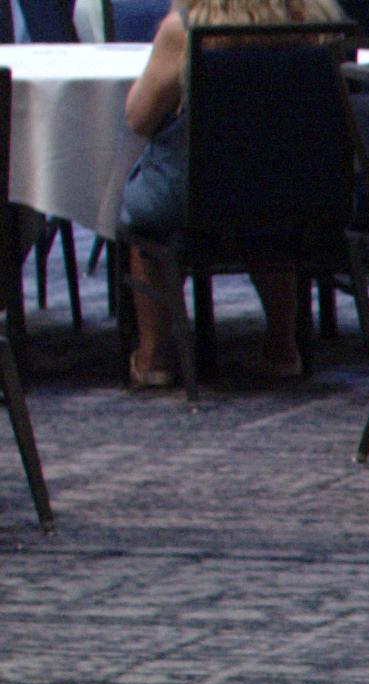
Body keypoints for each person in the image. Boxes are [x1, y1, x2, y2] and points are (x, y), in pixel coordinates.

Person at [112, 0, 348, 391]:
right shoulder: (318, 24)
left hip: (197, 197)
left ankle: (154, 358)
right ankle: (283, 347)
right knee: (267, 214)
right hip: (296, 191)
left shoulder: (185, 30)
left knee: (145, 222)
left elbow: (139, 118)